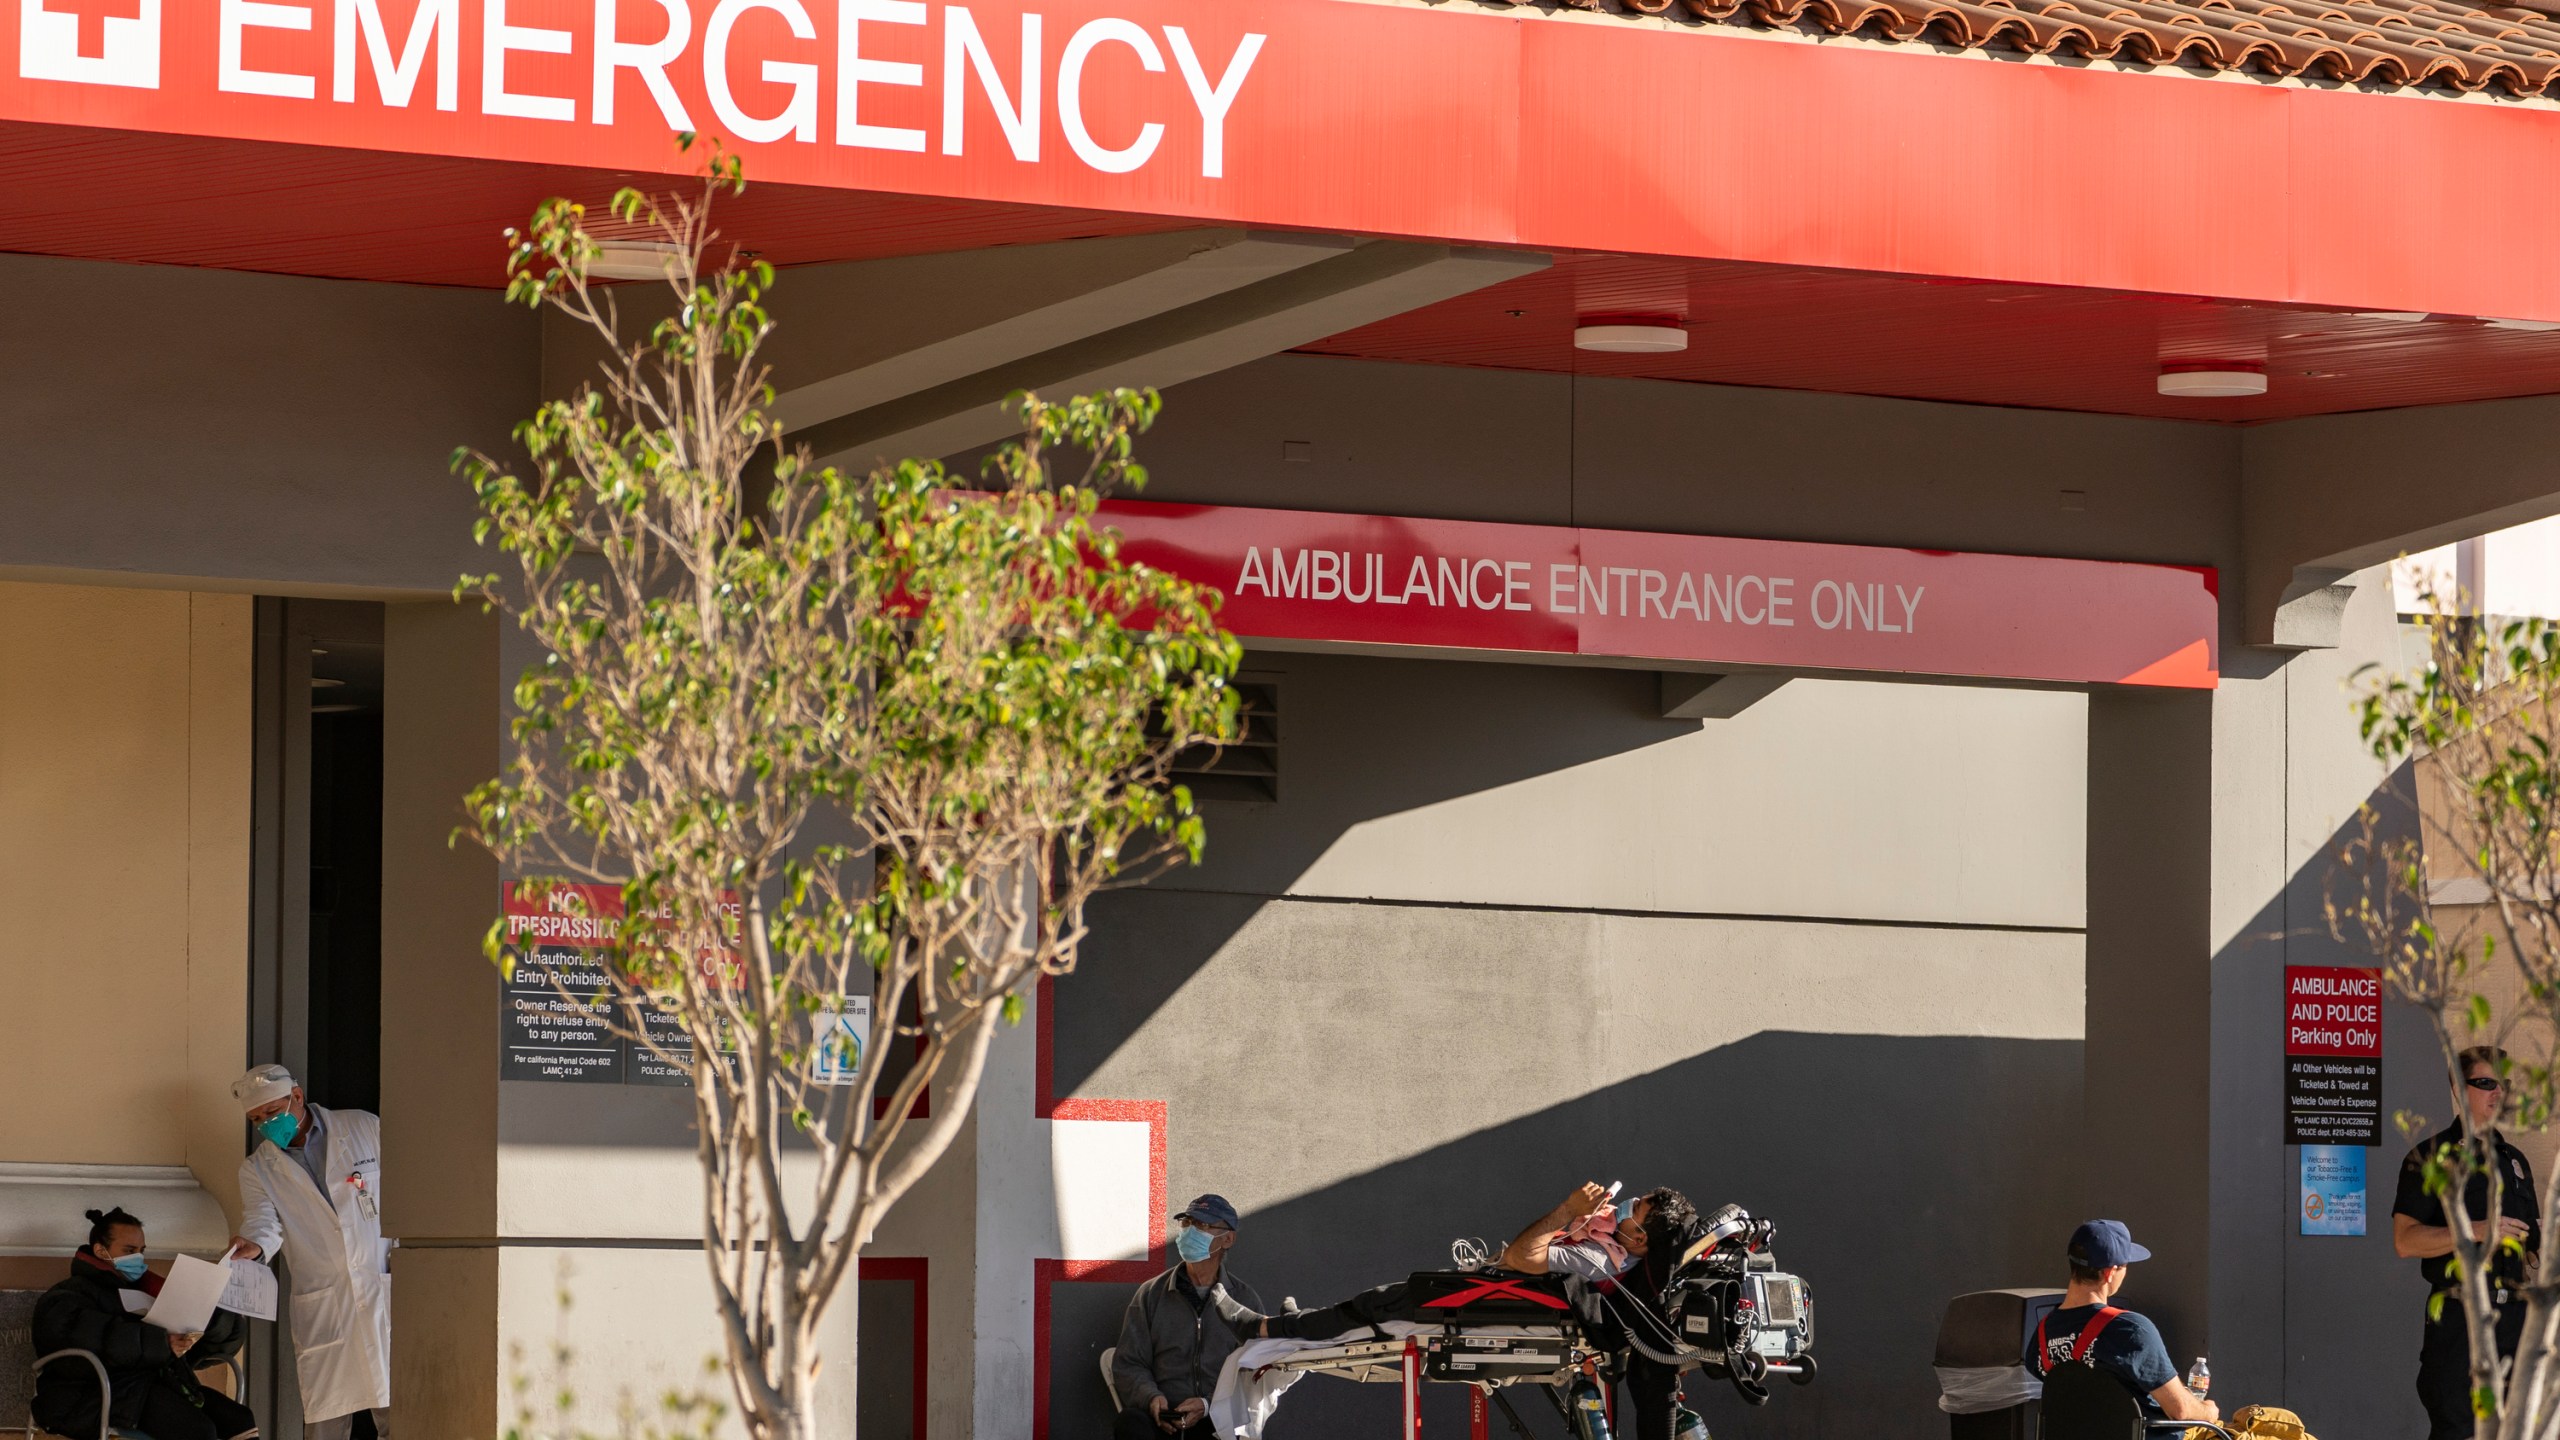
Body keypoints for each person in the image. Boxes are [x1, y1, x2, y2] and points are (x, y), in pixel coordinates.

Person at [1261, 1181, 1702, 1440]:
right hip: (1494, 1292)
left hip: (1483, 1296)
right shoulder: (1617, 1255)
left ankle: (1271, 1328)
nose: (1620, 1209)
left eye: (1632, 1211)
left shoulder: (1600, 1260)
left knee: (1376, 1304)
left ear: (1639, 1239)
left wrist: (1570, 1210)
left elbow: (1520, 1257)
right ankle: (1300, 1325)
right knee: (1373, 1304)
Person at [226, 1063, 392, 1440]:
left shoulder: (363, 1127)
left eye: (271, 1113)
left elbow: (406, 1190)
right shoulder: (257, 1169)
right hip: (325, 1302)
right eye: (256, 1120)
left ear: (297, 1098)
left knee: (400, 1411)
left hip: (380, 1284)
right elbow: (263, 1222)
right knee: (326, 1421)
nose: (266, 1125)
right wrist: (253, 1244)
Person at [2394, 1044, 2543, 1440]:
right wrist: (2476, 1231)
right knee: (2459, 1429)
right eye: (2486, 1083)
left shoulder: (2515, 1161)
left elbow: (2534, 1246)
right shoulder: (2429, 1157)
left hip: (2514, 1323)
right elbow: (2405, 1241)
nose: (2499, 1093)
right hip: (2461, 1322)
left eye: (2504, 1084)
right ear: (2459, 1088)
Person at [30, 1205, 257, 1440]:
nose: (138, 1257)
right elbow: (85, 1337)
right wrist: (160, 1343)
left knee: (240, 1421)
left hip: (150, 1386)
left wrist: (215, 1318)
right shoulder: (67, 1295)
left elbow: (202, 1353)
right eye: (129, 1250)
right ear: (100, 1250)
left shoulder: (150, 1291)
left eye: (141, 1250)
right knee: (198, 1431)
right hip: (93, 1393)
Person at [2024, 1219, 2219, 1430]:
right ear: (2109, 1273)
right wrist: (2208, 1410)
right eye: (2125, 1266)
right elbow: (2180, 1411)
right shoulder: (2130, 1330)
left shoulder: (2042, 1334)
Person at [1112, 1194, 1265, 1438]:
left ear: (1228, 1239)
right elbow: (1128, 1362)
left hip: (1217, 1419)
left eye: (1202, 1225)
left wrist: (1207, 1405)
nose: (1191, 1231)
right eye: (1187, 1223)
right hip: (1163, 1419)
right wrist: (1152, 1398)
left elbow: (1256, 1374)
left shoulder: (1245, 1300)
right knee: (1130, 1422)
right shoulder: (1151, 1294)